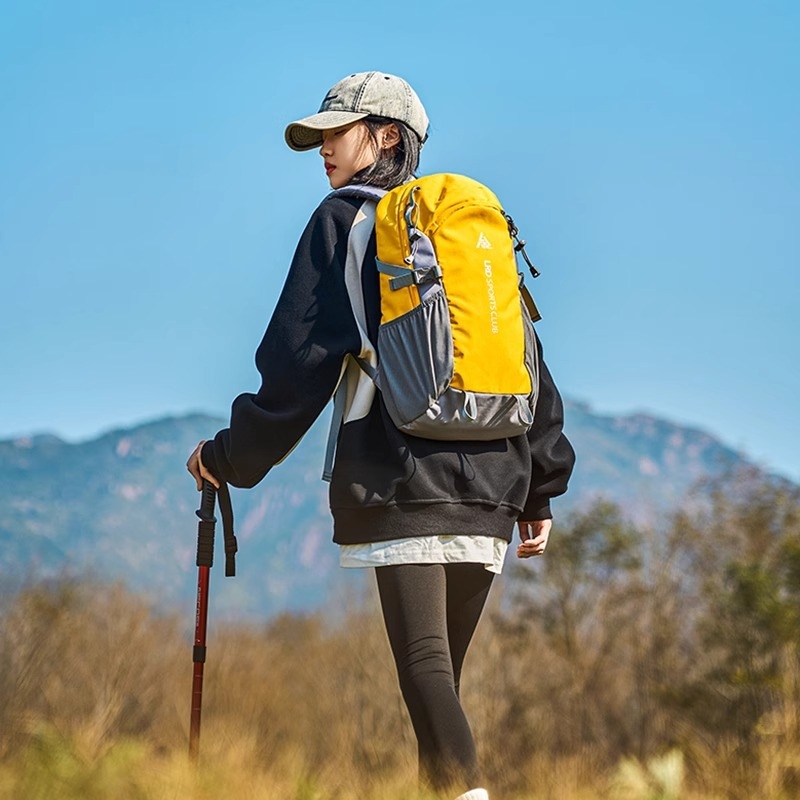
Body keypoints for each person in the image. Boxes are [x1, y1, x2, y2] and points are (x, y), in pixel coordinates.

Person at [186, 71, 575, 800]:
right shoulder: (467, 233)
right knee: (440, 690)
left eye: (336, 132)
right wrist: (541, 485)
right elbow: (528, 360)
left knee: (426, 672)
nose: (323, 149)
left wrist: (228, 457)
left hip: (404, 473)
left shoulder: (347, 223)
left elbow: (299, 364)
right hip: (495, 482)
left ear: (387, 135)